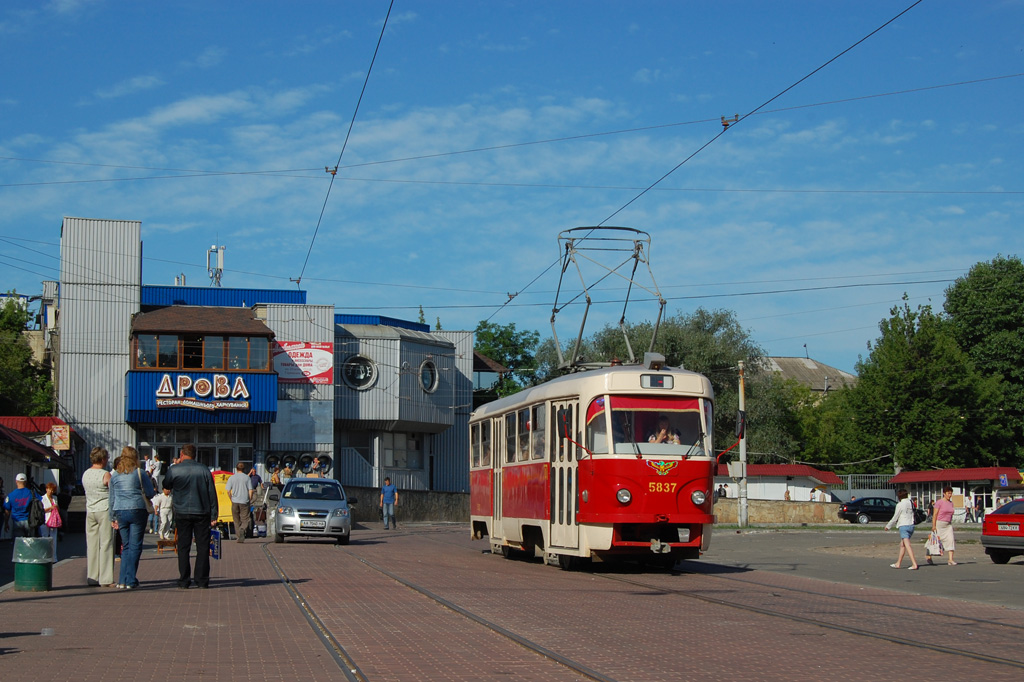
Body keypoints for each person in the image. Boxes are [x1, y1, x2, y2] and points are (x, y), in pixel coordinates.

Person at [163, 443, 219, 589]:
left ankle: (184, 579)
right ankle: (201, 580)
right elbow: (211, 493)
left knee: (183, 546)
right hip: (202, 511)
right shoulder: (204, 470)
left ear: (182, 454)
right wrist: (214, 514)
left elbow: (166, 484)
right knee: (202, 547)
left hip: (182, 512)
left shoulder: (174, 470)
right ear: (195, 455)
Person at [109, 446, 156, 589]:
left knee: (126, 546)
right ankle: (130, 580)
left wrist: (112, 516)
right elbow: (150, 492)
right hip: (137, 509)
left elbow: (111, 497)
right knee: (135, 545)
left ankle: (121, 580)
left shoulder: (115, 475)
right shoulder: (139, 473)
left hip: (120, 510)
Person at [82, 447, 115, 587]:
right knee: (106, 543)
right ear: (102, 459)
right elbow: (113, 492)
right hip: (104, 510)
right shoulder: (105, 474)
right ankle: (106, 579)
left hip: (90, 510)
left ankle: (92, 576)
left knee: (92, 544)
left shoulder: (86, 474)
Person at [884, 489, 919, 570]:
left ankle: (914, 564)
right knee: (902, 545)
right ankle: (898, 563)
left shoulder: (900, 504)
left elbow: (895, 517)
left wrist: (888, 526)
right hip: (911, 525)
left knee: (907, 545)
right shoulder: (910, 502)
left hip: (903, 525)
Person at [3, 473, 41, 538]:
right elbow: (40, 501)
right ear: (25, 482)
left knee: (19, 543)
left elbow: (7, 510)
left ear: (16, 481)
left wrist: (6, 523)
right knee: (30, 543)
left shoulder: (11, 495)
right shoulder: (31, 493)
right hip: (29, 521)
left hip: (16, 521)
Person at [225, 462, 253, 543]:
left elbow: (228, 491)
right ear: (244, 469)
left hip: (235, 501)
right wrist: (249, 499)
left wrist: (231, 498)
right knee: (246, 519)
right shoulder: (247, 478)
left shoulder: (232, 478)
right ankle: (243, 529)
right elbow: (250, 490)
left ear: (236, 469)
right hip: (244, 501)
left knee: (236, 520)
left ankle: (238, 537)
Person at [930, 486, 957, 566]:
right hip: (939, 524)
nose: (950, 495)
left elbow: (951, 513)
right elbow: (935, 514)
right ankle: (929, 556)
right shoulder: (939, 502)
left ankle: (950, 559)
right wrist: (934, 525)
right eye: (948, 493)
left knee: (951, 540)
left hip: (948, 525)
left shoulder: (951, 503)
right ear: (944, 494)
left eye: (951, 493)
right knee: (935, 541)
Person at [39, 482, 62, 559]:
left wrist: (56, 507)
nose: (51, 491)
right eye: (49, 489)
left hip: (54, 520)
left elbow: (58, 509)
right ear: (46, 489)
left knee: (53, 538)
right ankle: (44, 556)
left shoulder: (55, 498)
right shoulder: (42, 498)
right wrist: (50, 508)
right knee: (44, 537)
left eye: (52, 490)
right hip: (45, 520)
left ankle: (53, 557)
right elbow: (41, 510)